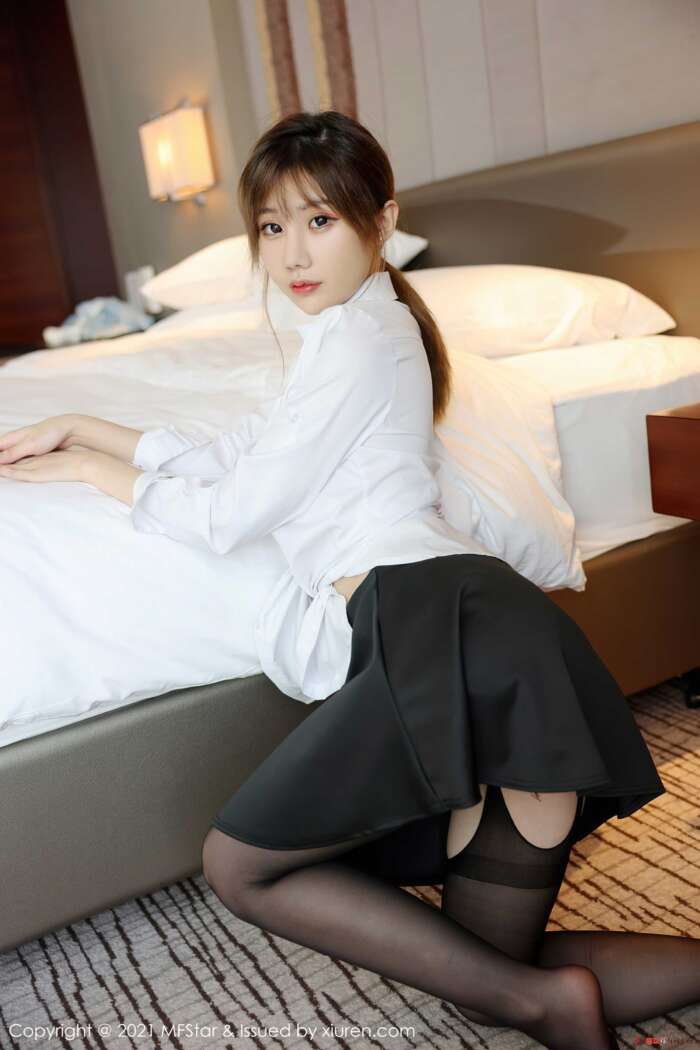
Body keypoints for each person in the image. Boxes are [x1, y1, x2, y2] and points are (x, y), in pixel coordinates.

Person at [0, 111, 697, 1049]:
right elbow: (239, 451)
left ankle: (548, 1008)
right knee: (492, 982)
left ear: (383, 221)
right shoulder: (349, 338)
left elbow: (230, 512)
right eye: (271, 227)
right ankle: (553, 1005)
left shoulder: (364, 339)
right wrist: (85, 425)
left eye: (319, 220)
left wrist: (92, 474)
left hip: (443, 630)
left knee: (242, 864)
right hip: (487, 641)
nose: (291, 252)